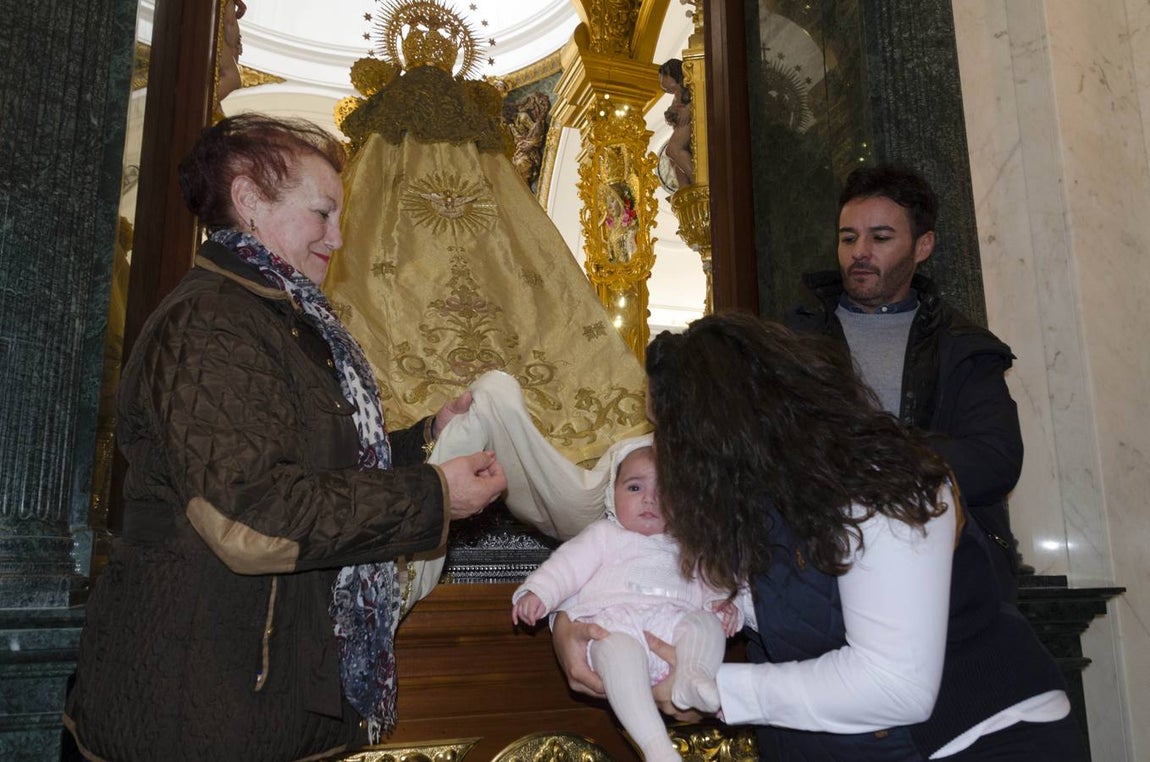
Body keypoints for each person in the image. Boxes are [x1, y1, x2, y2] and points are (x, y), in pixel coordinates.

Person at [62, 113, 507, 761]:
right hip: (197, 705)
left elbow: (317, 467)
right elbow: (254, 517)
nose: (338, 237)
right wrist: (434, 494)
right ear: (248, 200)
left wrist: (423, 441)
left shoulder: (278, 318)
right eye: (323, 213)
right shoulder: (210, 323)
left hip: (256, 693)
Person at [554, 313, 1083, 761]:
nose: (659, 448)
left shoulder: (881, 479)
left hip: (982, 737)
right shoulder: (737, 501)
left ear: (718, 431)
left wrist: (716, 689)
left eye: (668, 430)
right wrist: (568, 627)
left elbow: (894, 685)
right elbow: (635, 570)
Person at [784, 165, 1025, 600]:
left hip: (944, 581)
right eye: (848, 238)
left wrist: (877, 455)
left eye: (880, 238)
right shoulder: (790, 342)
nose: (859, 252)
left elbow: (995, 461)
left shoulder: (965, 348)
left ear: (923, 245)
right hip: (815, 579)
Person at [513, 436, 740, 762]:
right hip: (615, 627)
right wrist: (539, 592)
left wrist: (724, 604)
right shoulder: (604, 535)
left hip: (674, 635)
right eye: (635, 487)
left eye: (665, 490)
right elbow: (565, 568)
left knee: (706, 624)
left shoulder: (691, 545)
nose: (649, 499)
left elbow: (716, 582)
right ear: (613, 494)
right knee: (616, 650)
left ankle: (694, 677)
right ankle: (656, 748)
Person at [658, 58, 694, 189]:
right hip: (681, 126)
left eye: (663, 76)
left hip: (688, 124)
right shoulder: (676, 94)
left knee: (672, 149)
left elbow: (701, 97)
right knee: (673, 161)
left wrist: (688, 108)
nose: (661, 82)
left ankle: (697, 179)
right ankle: (685, 188)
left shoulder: (690, 85)